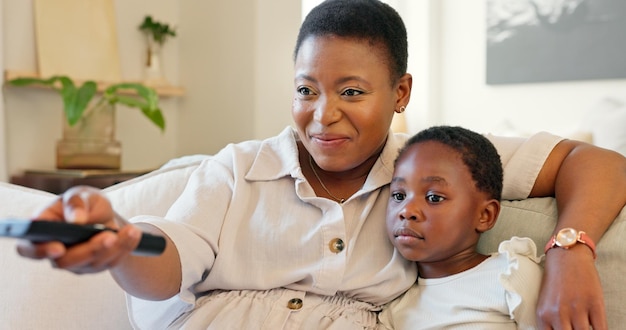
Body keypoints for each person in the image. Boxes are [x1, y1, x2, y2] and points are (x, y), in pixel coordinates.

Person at [16, 0, 625, 329]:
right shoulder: (238, 169)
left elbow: (598, 162)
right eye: (306, 90)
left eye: (352, 92)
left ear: (402, 93)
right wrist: (123, 245)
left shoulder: (434, 164)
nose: (322, 115)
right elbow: (174, 253)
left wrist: (571, 250)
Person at [378, 126, 543, 329]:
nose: (406, 210)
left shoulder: (511, 274)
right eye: (399, 196)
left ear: (485, 215)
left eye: (434, 198)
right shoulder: (393, 311)